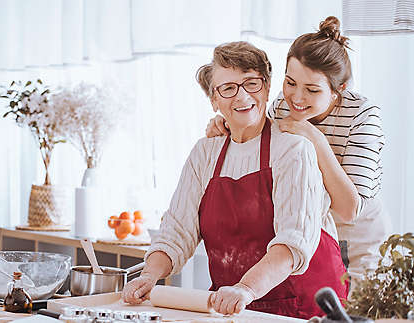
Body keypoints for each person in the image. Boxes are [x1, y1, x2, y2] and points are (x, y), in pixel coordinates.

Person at [122, 41, 348, 319]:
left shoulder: (293, 149)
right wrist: (149, 275)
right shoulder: (205, 152)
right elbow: (177, 232)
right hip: (232, 305)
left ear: (266, 88)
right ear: (214, 100)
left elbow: (293, 242)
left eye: (251, 83)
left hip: (299, 307)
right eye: (228, 88)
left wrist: (246, 288)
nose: (242, 97)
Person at [205, 16, 389, 285]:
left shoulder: (363, 116)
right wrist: (228, 122)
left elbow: (350, 210)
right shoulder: (282, 106)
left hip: (355, 233)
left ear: (340, 90)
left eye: (312, 90)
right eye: (290, 83)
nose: (297, 98)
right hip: (309, 228)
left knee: (355, 308)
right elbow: (261, 140)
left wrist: (314, 137)